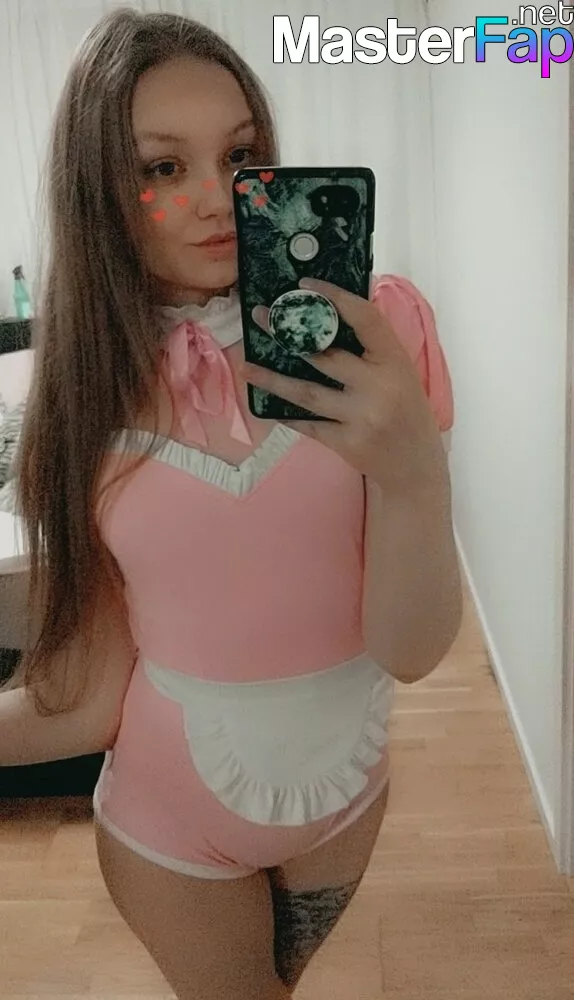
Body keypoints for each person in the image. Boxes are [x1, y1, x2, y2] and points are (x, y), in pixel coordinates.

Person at [0, 8, 462, 999]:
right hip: (172, 824)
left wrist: (415, 472)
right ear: (97, 190)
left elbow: (412, 648)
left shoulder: (375, 339)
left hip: (349, 797)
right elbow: (88, 698)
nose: (218, 197)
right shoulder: (82, 405)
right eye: (162, 168)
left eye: (242, 154)